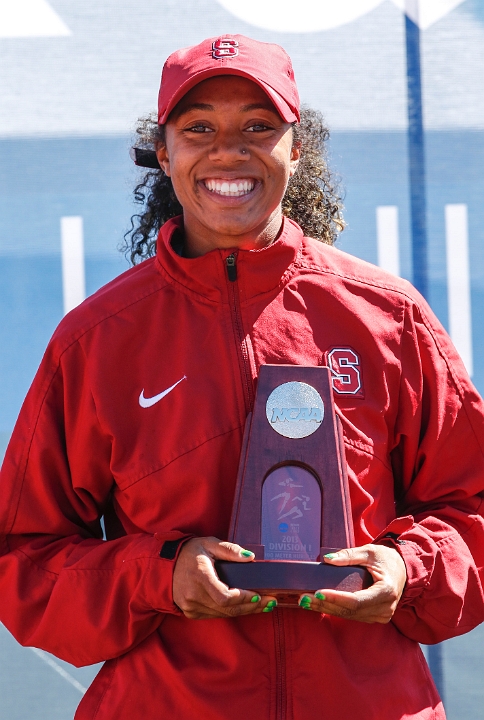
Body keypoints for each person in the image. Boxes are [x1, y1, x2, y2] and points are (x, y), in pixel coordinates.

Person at [0, 34, 483, 720]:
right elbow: (23, 559)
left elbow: (473, 509)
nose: (229, 149)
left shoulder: (388, 317)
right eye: (199, 128)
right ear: (163, 152)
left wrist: (409, 572)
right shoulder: (98, 340)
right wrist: (160, 576)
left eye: (258, 126)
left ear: (296, 146)